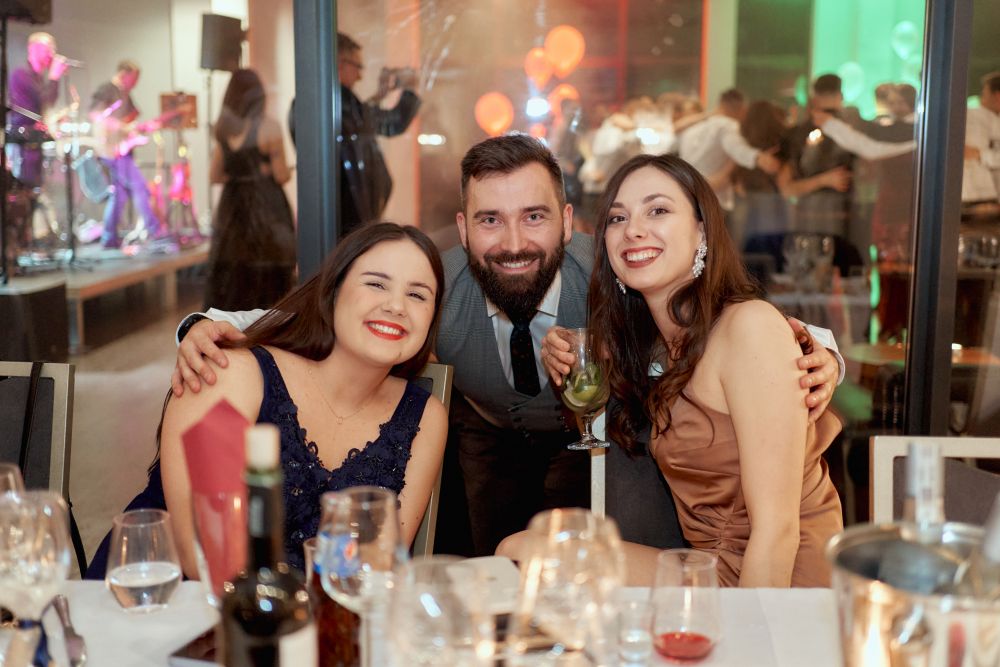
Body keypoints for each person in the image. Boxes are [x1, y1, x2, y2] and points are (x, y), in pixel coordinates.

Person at [170, 135, 843, 560]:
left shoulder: (618, 269)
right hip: (484, 431)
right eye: (491, 220)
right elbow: (318, 312)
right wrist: (201, 324)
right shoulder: (431, 287)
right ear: (464, 229)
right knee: (494, 549)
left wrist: (825, 354)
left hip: (588, 440)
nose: (514, 243)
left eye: (534, 217)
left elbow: (742, 327)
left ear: (569, 223)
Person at [531, 154, 844, 587]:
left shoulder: (749, 326)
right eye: (618, 218)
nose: (633, 229)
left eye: (658, 210)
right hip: (707, 565)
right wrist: (563, 348)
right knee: (524, 550)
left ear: (702, 231)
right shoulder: (658, 343)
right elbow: (597, 359)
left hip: (777, 580)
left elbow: (777, 533)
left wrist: (744, 631)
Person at [86, 223, 448, 578]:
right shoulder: (231, 376)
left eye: (418, 295)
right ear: (334, 292)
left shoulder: (424, 417)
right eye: (376, 284)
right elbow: (203, 559)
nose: (396, 306)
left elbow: (382, 569)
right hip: (164, 597)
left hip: (322, 610)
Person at [289, 32, 420, 238]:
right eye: (358, 67)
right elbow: (391, 123)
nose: (360, 76)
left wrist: (379, 96)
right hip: (346, 218)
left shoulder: (316, 99)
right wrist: (409, 89)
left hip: (336, 214)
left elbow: (360, 125)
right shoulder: (337, 101)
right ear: (340, 63)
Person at [204, 69, 296, 312]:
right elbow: (281, 175)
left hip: (233, 209)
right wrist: (280, 170)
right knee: (268, 273)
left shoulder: (224, 129)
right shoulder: (269, 127)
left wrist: (239, 176)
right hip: (265, 206)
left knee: (235, 273)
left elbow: (215, 175)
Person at [89, 60, 165, 248]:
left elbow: (132, 121)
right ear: (124, 74)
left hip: (123, 150)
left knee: (119, 196)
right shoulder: (107, 90)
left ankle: (109, 238)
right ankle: (155, 231)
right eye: (134, 78)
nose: (135, 83)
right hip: (112, 151)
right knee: (140, 188)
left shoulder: (126, 95)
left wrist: (141, 128)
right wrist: (123, 127)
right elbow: (95, 115)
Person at [678, 88, 781, 223]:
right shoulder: (728, 126)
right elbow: (738, 149)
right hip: (714, 201)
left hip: (688, 197)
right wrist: (759, 158)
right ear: (741, 109)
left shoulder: (692, 129)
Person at [7, 32, 68, 189]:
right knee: (24, 191)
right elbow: (44, 100)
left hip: (35, 143)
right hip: (23, 145)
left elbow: (45, 105)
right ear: (33, 49)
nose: (52, 53)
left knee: (35, 190)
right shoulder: (21, 74)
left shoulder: (39, 79)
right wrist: (54, 77)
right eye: (48, 48)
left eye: (53, 49)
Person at [963, 71, 1000, 205]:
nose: (981, 100)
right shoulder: (973, 116)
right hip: (975, 196)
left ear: (997, 95)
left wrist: (979, 154)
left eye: (984, 94)